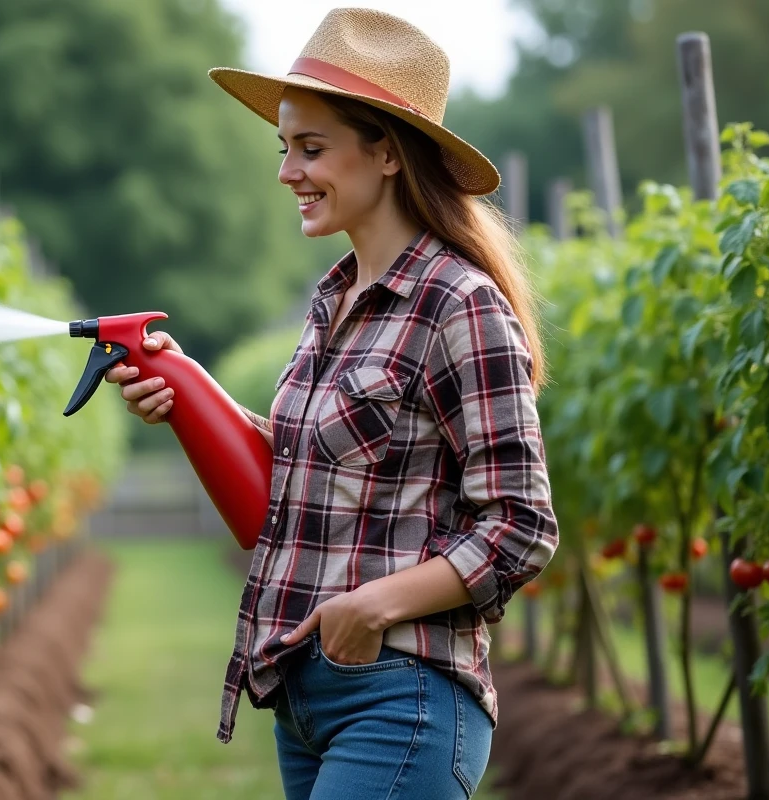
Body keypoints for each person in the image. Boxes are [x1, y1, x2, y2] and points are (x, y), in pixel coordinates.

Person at [105, 8, 559, 799]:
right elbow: (302, 472)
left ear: (385, 151)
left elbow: (522, 525)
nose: (288, 172)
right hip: (305, 701)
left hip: (403, 699)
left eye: (311, 148)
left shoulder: (458, 305)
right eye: (284, 148)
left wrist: (374, 605)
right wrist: (187, 394)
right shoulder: (333, 302)